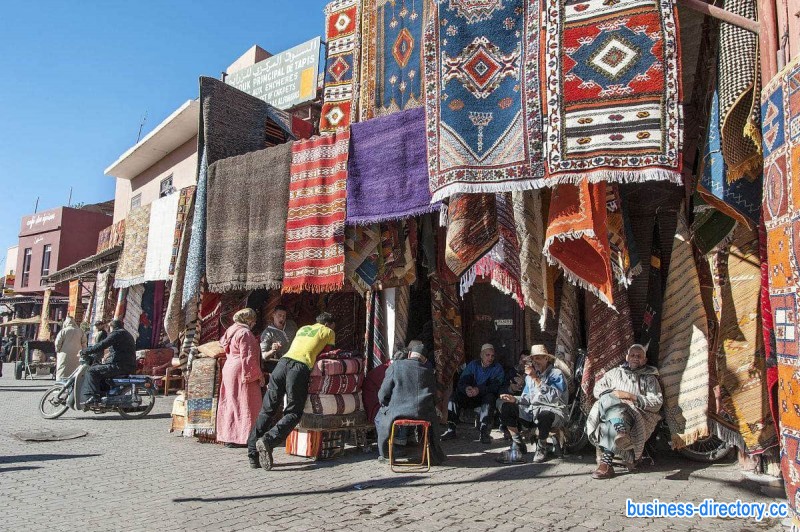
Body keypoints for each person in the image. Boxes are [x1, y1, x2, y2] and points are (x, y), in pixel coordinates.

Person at [248, 312, 336, 471]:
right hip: (298, 368)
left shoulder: (303, 329)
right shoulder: (328, 331)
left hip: (281, 365)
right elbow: (327, 354)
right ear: (329, 324)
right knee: (294, 412)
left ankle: (252, 455)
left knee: (267, 410)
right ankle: (269, 440)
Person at [586, 344, 663, 479]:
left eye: (639, 356)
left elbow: (657, 402)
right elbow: (598, 389)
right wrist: (615, 395)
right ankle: (620, 429)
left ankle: (606, 464)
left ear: (645, 360)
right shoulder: (615, 373)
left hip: (634, 412)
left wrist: (630, 396)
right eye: (632, 355)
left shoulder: (649, 378)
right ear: (627, 357)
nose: (635, 358)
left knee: (612, 419)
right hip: (611, 408)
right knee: (608, 398)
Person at [376, 342, 445, 465]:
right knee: (432, 418)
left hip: (398, 413)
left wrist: (385, 404)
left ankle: (386, 454)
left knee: (379, 417)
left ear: (409, 355)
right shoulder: (429, 371)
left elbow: (383, 393)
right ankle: (431, 455)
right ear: (424, 360)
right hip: (423, 414)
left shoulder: (396, 366)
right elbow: (435, 397)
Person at [499, 344, 569, 463]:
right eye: (533, 359)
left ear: (546, 358)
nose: (535, 362)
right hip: (532, 411)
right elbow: (527, 398)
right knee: (506, 407)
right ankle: (518, 443)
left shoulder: (556, 374)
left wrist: (536, 378)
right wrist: (514, 399)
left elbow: (553, 398)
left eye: (538, 358)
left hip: (554, 411)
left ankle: (542, 447)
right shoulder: (529, 377)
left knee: (545, 414)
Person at [217, 309, 264, 448]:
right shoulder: (245, 333)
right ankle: (245, 437)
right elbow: (248, 357)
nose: (254, 323)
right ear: (248, 320)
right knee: (246, 403)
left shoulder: (231, 330)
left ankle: (229, 436)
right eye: (253, 320)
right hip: (241, 369)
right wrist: (258, 375)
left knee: (231, 402)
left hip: (229, 367)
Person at [441, 343, 505, 444]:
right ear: (481, 355)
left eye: (492, 356)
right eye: (487, 355)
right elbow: (462, 381)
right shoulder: (473, 365)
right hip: (470, 396)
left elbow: (495, 387)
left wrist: (479, 390)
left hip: (484, 396)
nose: (490, 358)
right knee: (454, 398)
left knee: (490, 398)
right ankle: (451, 429)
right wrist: (466, 388)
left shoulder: (497, 368)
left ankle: (484, 432)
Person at [78, 319, 137, 407]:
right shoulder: (126, 334)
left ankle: (92, 397)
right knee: (99, 369)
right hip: (126, 365)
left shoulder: (117, 334)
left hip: (119, 366)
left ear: (112, 327)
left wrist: (85, 351)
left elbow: (102, 344)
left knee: (91, 371)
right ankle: (103, 396)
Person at [259, 305, 298, 372]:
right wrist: (273, 351)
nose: (282, 318)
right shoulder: (267, 333)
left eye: (284, 316)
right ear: (273, 315)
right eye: (279, 315)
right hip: (282, 365)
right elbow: (263, 356)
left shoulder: (291, 324)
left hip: (297, 360)